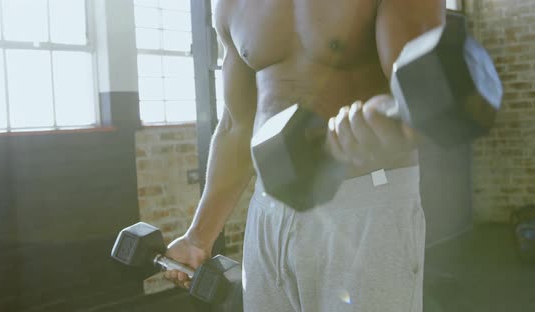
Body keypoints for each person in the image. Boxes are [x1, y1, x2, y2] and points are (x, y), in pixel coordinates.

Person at [165, 0, 445, 311]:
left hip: (363, 204)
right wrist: (198, 237)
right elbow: (236, 125)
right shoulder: (232, 5)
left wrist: (389, 117)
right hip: (269, 209)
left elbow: (425, 100)